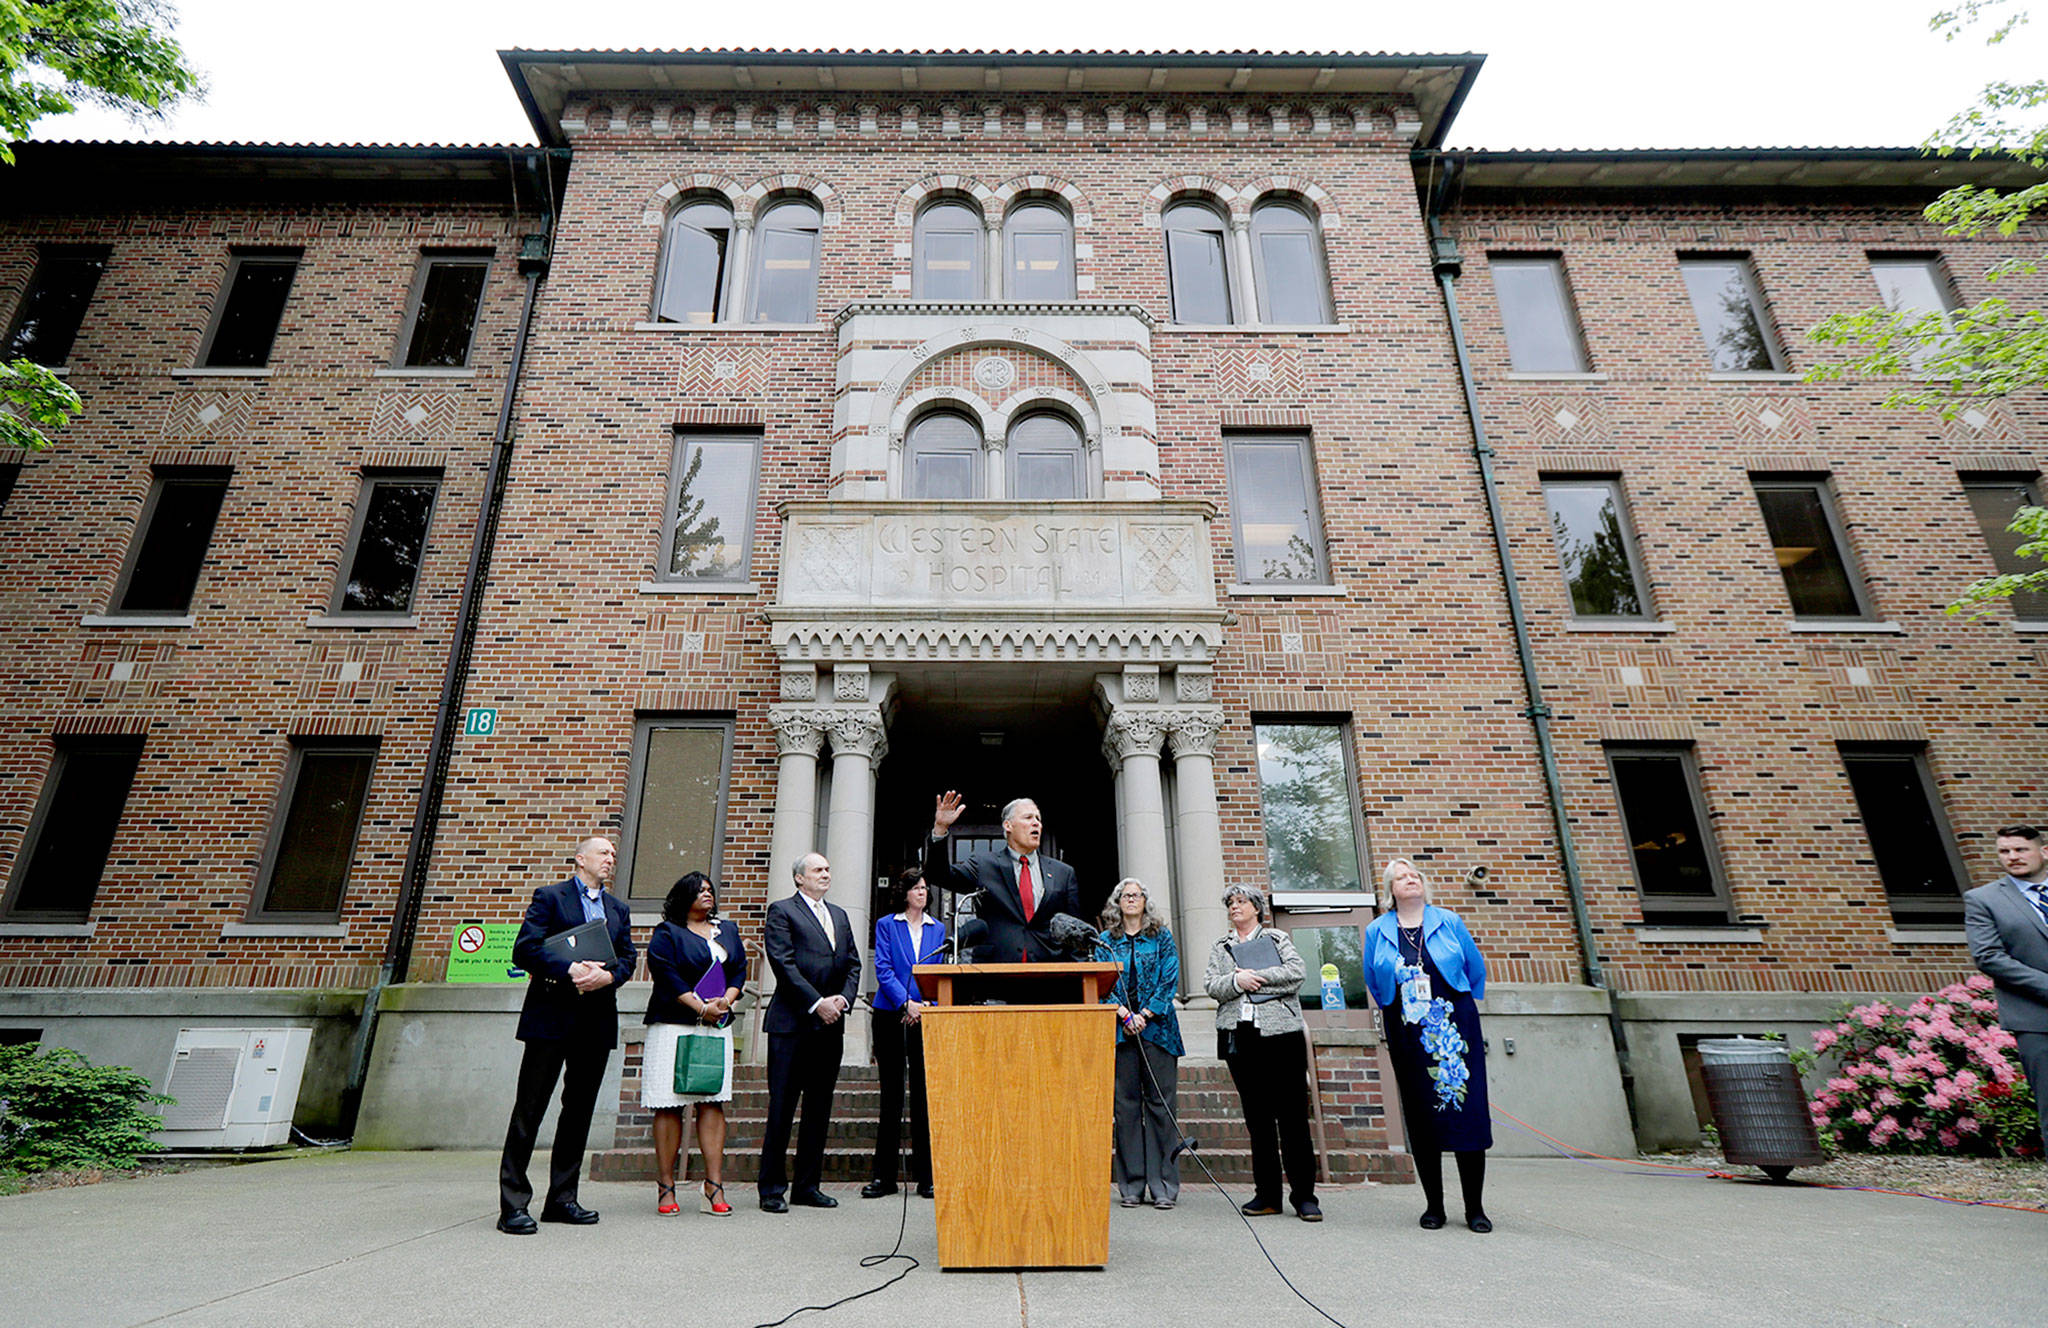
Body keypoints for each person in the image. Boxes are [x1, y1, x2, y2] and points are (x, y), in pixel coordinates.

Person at [497, 835, 637, 1235]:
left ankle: (562, 1199)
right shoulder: (551, 897)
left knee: (578, 1113)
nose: (611, 859)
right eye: (603, 853)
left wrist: (609, 976)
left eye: (613, 854)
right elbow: (525, 950)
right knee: (530, 1110)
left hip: (595, 1022)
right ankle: (512, 1205)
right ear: (580, 859)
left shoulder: (618, 909)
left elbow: (628, 958)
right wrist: (571, 968)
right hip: (551, 1016)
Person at [1365, 857, 1494, 1233]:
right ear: (1390, 890)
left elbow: (1473, 968)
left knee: (1466, 1112)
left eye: (1414, 875)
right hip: (1407, 1033)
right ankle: (1434, 1206)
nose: (1409, 881)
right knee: (1422, 1115)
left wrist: (1457, 1007)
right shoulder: (1378, 929)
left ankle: (1475, 1208)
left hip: (1455, 1029)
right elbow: (1375, 979)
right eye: (1401, 878)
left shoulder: (1449, 920)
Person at [1204, 882, 1320, 1222]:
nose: (1235, 907)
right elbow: (1211, 985)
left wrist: (1256, 977)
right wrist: (1236, 983)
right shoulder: (1221, 946)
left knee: (1293, 1119)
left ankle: (1304, 1197)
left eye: (1241, 902)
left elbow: (1296, 974)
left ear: (1256, 908)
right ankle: (1267, 1195)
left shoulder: (1276, 939)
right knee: (1258, 1121)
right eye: (1230, 903)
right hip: (1240, 1038)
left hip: (1281, 1036)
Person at [758, 851, 861, 1212]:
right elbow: (783, 964)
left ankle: (807, 1186)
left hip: (830, 1028)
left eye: (828, 869)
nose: (825, 874)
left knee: (819, 1109)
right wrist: (818, 1003)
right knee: (783, 1107)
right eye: (817, 870)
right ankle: (771, 1188)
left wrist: (843, 1001)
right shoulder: (782, 911)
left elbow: (852, 964)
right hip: (792, 1025)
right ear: (799, 878)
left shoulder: (839, 915)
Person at [642, 872, 746, 1216]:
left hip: (716, 1024)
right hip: (674, 1024)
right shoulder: (667, 933)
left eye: (710, 890)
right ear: (683, 896)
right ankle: (666, 1185)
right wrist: (700, 1006)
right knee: (668, 1104)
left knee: (712, 1102)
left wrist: (724, 1003)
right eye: (699, 890)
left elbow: (739, 972)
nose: (707, 894)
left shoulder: (727, 931)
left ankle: (713, 1186)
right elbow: (666, 974)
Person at [1097, 877, 1184, 1209]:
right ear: (1117, 903)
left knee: (1161, 1106)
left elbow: (1169, 977)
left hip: (1158, 1030)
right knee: (1127, 1108)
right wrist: (1124, 1015)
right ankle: (1132, 1185)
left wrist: (1145, 1014)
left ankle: (1164, 1185)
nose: (1131, 900)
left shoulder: (1160, 937)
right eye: (1125, 895)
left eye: (1136, 895)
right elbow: (1102, 980)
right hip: (1122, 1032)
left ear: (1145, 901)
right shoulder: (1105, 941)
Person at [864, 868, 948, 1199]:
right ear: (905, 893)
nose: (922, 893)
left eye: (925, 888)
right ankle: (884, 1178)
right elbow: (882, 968)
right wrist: (906, 1003)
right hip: (890, 1016)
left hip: (925, 1017)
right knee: (892, 1097)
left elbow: (939, 971)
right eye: (916, 888)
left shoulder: (938, 928)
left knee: (925, 1098)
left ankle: (927, 1177)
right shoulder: (888, 925)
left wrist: (923, 1005)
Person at [1964, 824, 2048, 1155]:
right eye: (2004, 851)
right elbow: (1989, 957)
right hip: (2037, 1020)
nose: (2012, 857)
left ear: (2043, 851)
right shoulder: (1983, 899)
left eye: (2020, 849)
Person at [923, 791, 1083, 963]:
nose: (1036, 823)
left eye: (1038, 819)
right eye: (1028, 817)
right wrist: (940, 829)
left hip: (1049, 971)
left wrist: (1081, 978)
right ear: (1008, 825)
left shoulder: (1063, 873)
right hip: (995, 970)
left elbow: (1074, 931)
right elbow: (939, 875)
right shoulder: (984, 865)